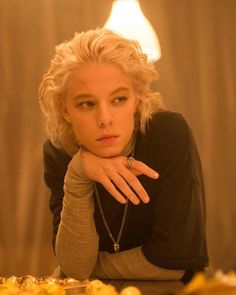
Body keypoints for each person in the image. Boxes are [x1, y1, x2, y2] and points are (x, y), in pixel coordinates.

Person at [39, 28, 209, 283]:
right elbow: (75, 264)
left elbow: (172, 262)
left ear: (137, 100)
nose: (105, 119)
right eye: (87, 103)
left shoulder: (167, 134)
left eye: (118, 99)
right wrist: (78, 172)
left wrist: (89, 270)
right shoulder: (59, 151)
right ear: (65, 110)